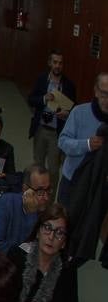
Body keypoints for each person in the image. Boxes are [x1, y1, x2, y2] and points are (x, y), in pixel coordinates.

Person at [5, 204, 80, 302]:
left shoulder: (68, 269)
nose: (51, 237)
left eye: (59, 233)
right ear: (38, 232)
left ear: (64, 242)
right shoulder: (17, 255)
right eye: (47, 228)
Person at [56, 71, 108, 208]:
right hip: (72, 181)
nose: (107, 100)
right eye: (104, 94)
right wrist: (87, 144)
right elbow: (62, 142)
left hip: (98, 188)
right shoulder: (79, 112)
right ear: (96, 91)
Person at [27, 50, 76, 191]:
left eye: (60, 63)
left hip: (56, 132)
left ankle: (49, 204)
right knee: (38, 167)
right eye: (55, 62)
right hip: (41, 129)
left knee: (54, 171)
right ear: (50, 63)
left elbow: (73, 108)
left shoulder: (69, 85)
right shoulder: (42, 79)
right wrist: (43, 99)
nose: (58, 66)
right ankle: (35, 195)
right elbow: (31, 99)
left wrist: (67, 113)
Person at [0, 164, 53, 256]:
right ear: (25, 189)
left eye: (48, 190)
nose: (46, 197)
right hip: (2, 264)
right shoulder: (7, 202)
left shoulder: (48, 212)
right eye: (40, 191)